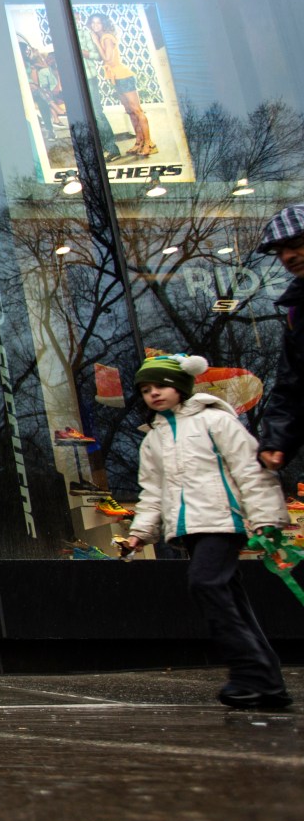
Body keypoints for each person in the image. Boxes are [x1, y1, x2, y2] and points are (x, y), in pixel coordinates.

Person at [121, 353, 291, 710]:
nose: (153, 393)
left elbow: (251, 472)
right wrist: (138, 534)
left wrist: (265, 519)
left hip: (222, 521)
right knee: (231, 597)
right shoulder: (153, 439)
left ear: (182, 386)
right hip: (189, 529)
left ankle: (249, 674)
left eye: (161, 385)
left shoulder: (216, 421)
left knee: (205, 584)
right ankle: (268, 682)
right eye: (146, 389)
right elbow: (152, 493)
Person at [256, 204, 304, 472]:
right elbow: (291, 384)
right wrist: (276, 441)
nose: (288, 256)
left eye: (296, 243)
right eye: (279, 252)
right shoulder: (296, 312)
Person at [86, 13, 155, 157]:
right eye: (93, 23)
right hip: (116, 78)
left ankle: (149, 143)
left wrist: (96, 42)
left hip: (124, 76)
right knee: (130, 111)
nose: (95, 26)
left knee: (137, 110)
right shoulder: (102, 37)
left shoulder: (106, 38)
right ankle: (138, 142)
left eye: (98, 23)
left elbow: (108, 59)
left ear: (104, 24)